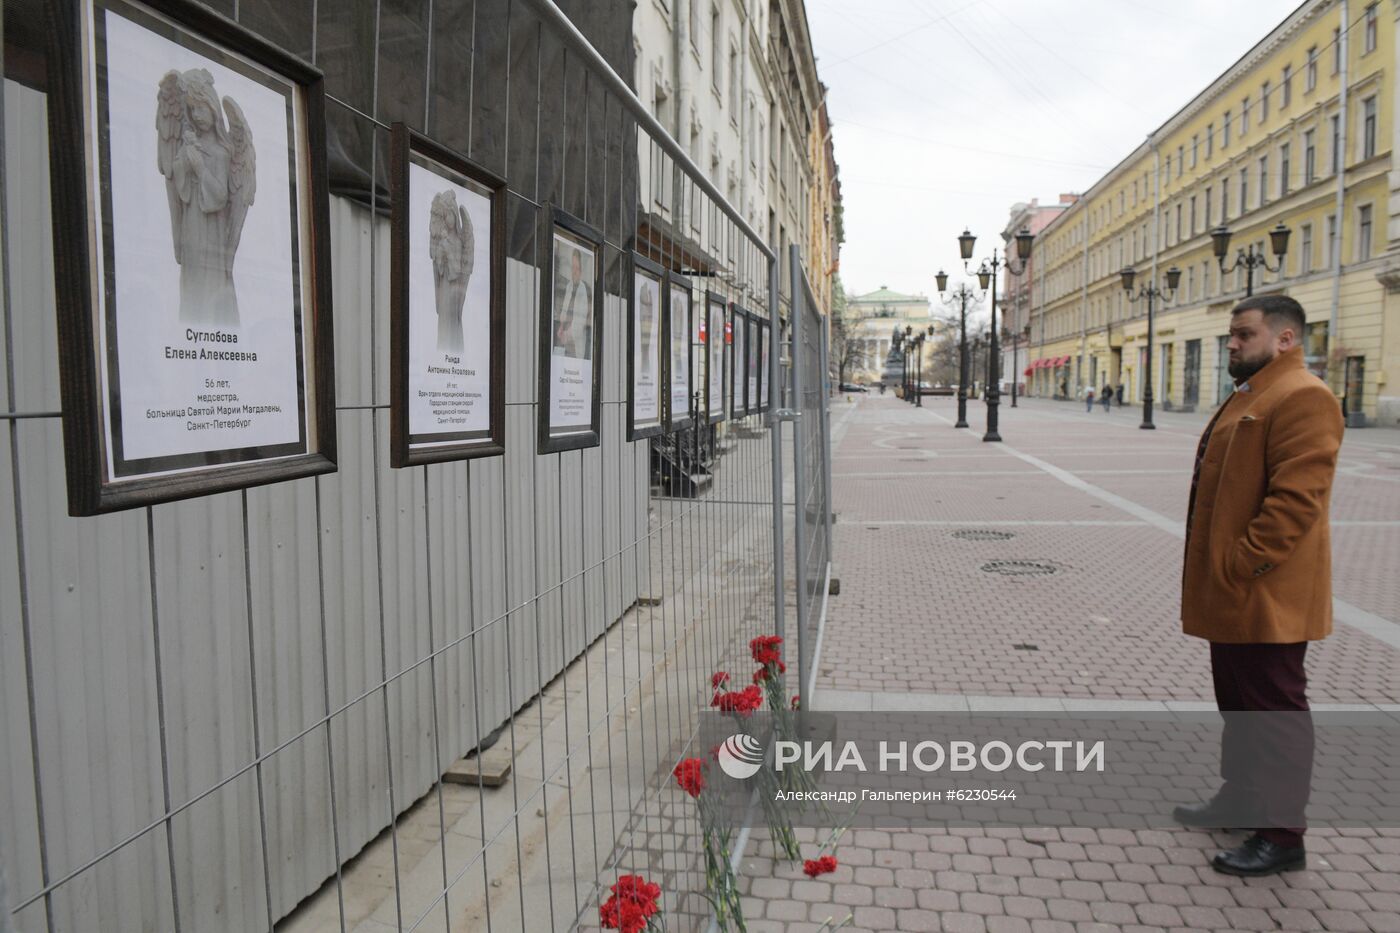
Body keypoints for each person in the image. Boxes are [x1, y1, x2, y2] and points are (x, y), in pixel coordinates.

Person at [1174, 295, 1343, 877]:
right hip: (1237, 588)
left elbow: (1297, 500)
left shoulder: (1304, 397)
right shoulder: (1254, 391)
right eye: (1232, 334)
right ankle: (1241, 797)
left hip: (1266, 589)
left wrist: (1244, 564)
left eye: (1244, 334)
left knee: (1274, 708)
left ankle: (1281, 834)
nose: (1233, 343)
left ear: (1285, 338)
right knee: (1239, 702)